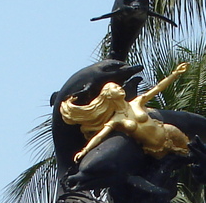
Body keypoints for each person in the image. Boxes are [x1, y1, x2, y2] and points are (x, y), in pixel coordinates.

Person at [61, 62, 193, 161]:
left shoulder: (136, 102)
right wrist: (85, 151)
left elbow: (157, 88)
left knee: (194, 152)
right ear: (108, 95)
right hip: (154, 150)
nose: (120, 88)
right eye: (115, 88)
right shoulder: (117, 119)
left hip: (169, 132)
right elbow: (99, 136)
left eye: (118, 87)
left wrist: (175, 74)